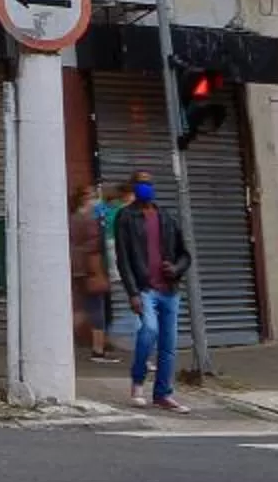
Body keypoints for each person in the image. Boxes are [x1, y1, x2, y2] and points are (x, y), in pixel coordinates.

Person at [115, 170, 190, 412]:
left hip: (169, 289)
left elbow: (185, 255)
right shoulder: (126, 217)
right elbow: (123, 258)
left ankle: (163, 394)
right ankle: (138, 382)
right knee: (149, 330)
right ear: (133, 188)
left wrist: (175, 268)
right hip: (145, 288)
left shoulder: (165, 217)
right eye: (140, 183)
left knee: (168, 345)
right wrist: (132, 292)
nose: (145, 187)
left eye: (148, 183)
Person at [70, 182, 113, 359]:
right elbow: (95, 244)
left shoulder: (73, 217)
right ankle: (98, 350)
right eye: (93, 196)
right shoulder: (90, 219)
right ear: (86, 198)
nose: (96, 199)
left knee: (83, 308)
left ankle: (62, 338)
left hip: (77, 267)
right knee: (96, 309)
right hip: (91, 267)